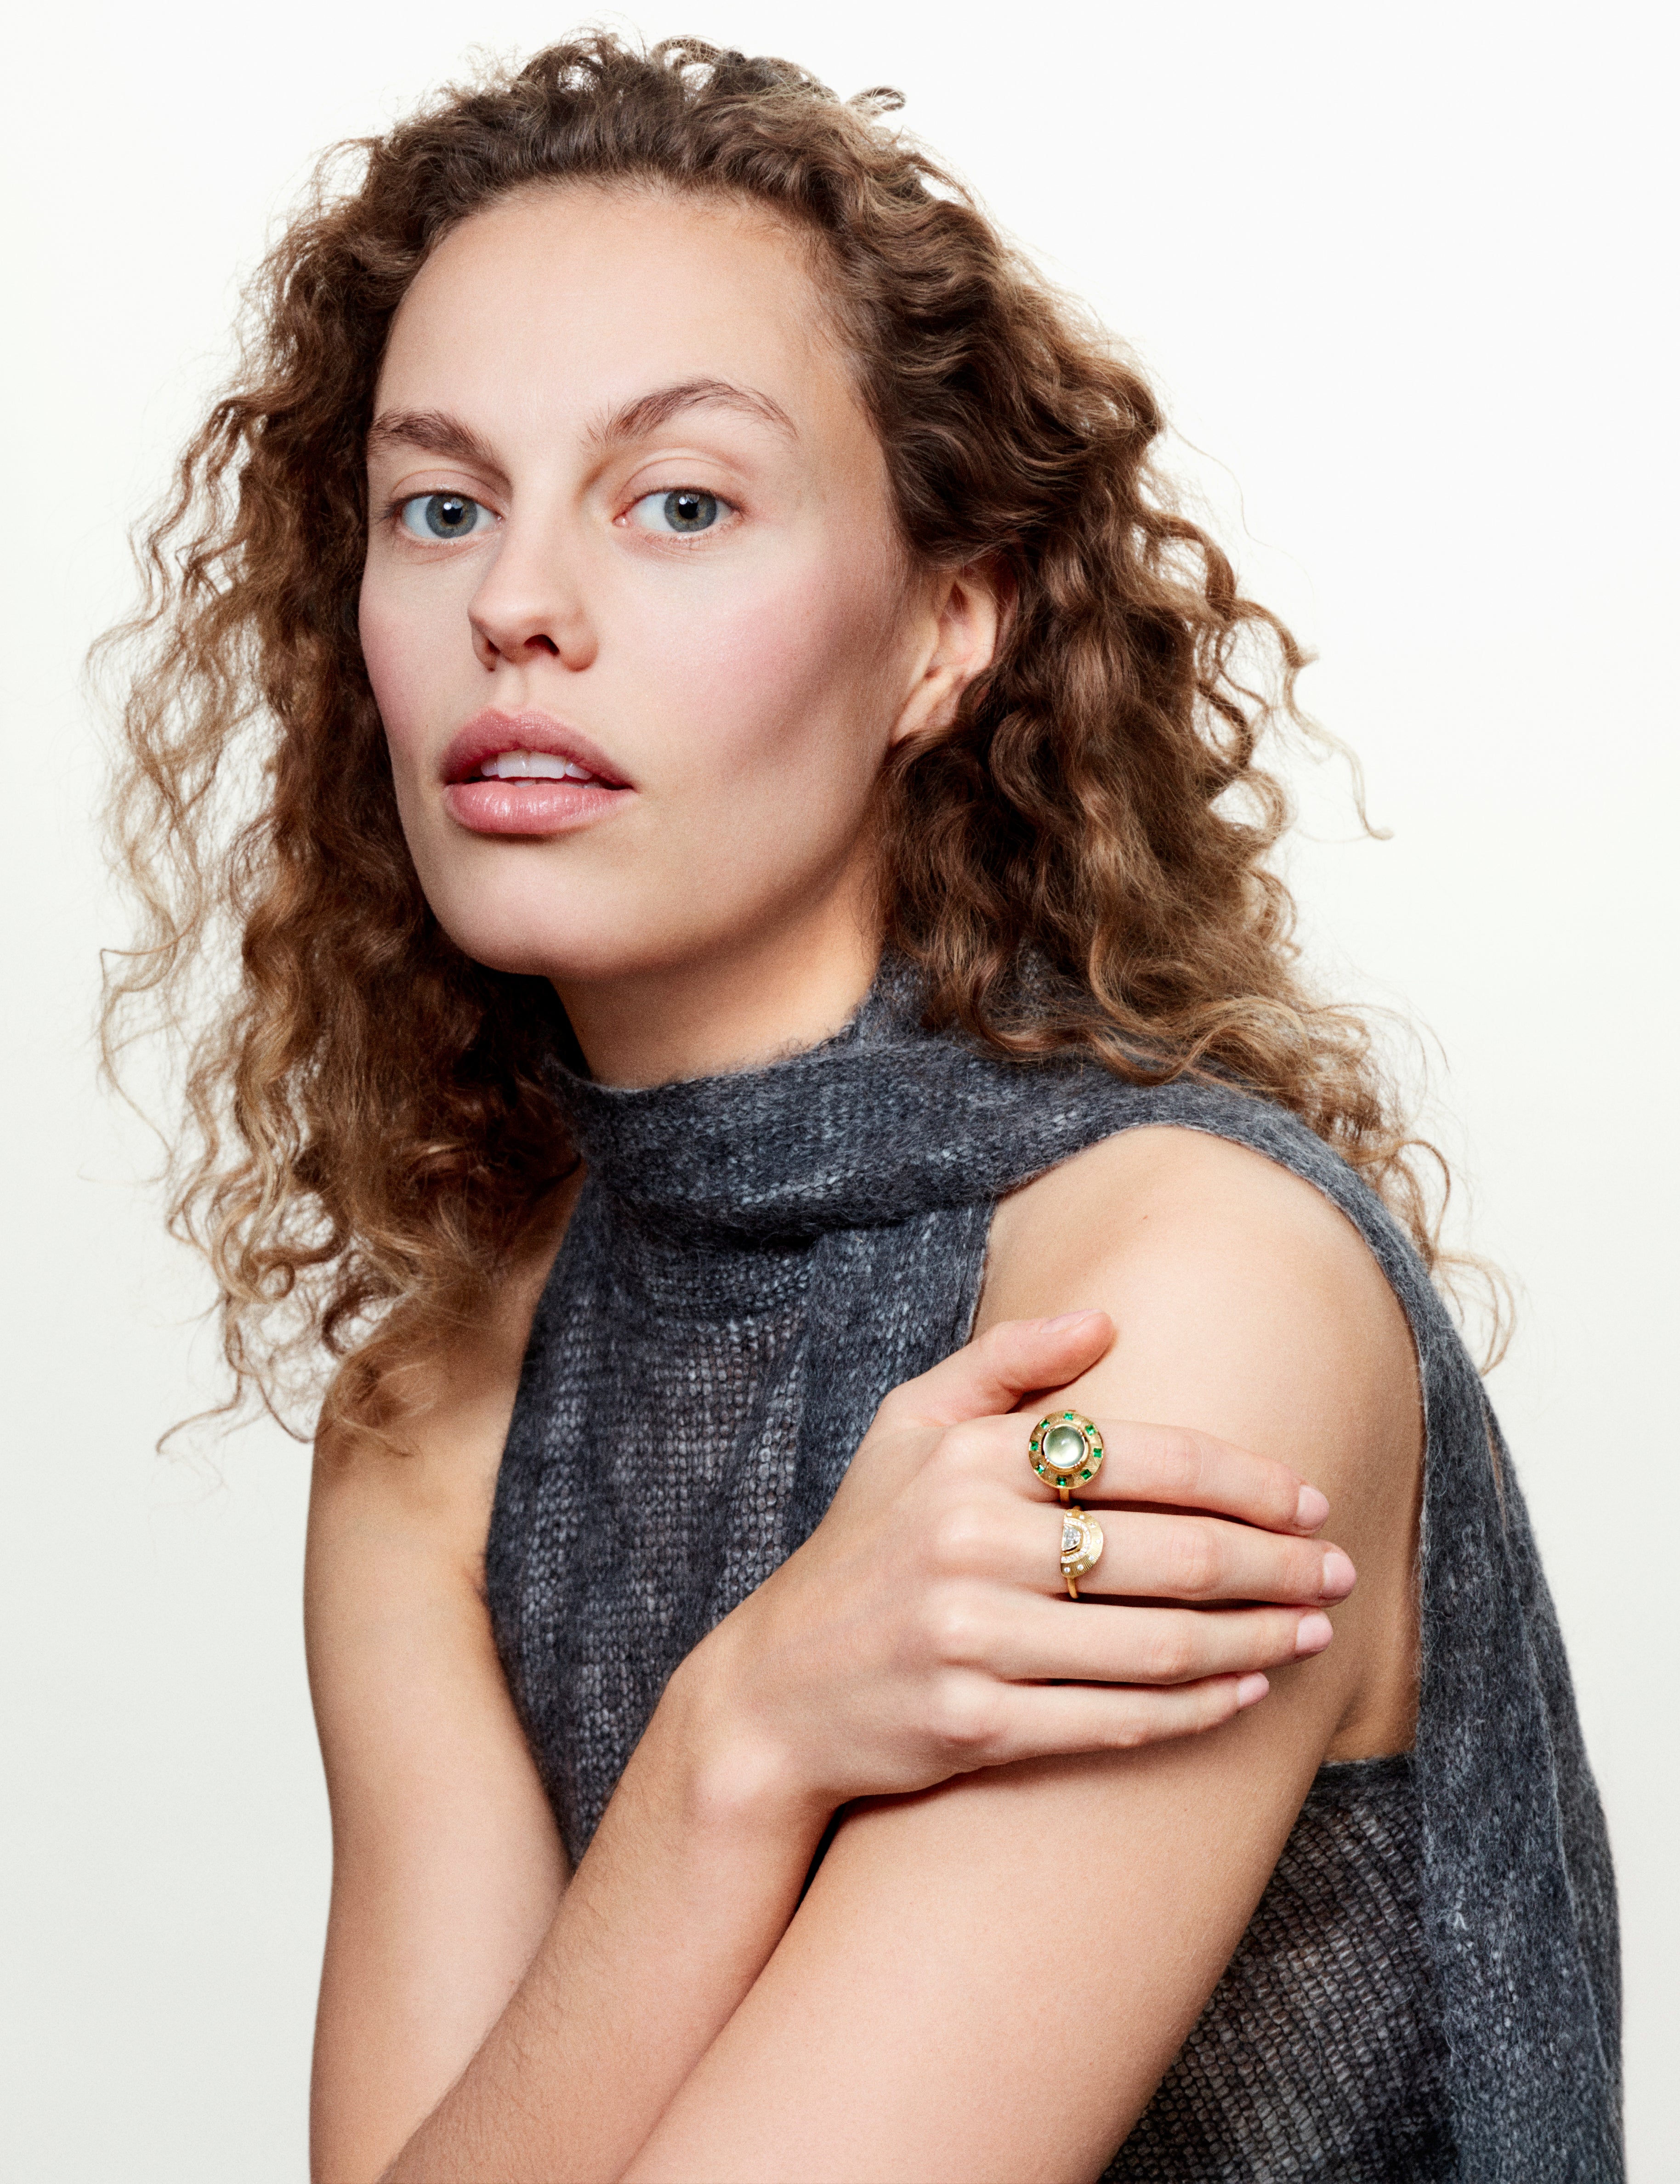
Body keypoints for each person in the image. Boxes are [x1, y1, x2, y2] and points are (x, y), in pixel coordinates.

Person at [103, 33, 1621, 2183]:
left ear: (943, 632)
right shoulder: (433, 1423)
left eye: (680, 502)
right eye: (438, 506)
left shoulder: (1173, 1308)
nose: (514, 605)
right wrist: (741, 1737)